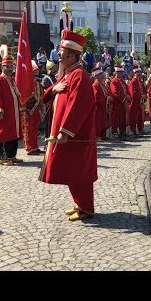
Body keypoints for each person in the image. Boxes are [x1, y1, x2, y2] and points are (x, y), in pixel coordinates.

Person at [39, 30, 97, 221]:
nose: (59, 56)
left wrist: (65, 132)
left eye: (62, 54)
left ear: (72, 56)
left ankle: (86, 208)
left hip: (76, 136)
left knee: (80, 172)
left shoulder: (79, 75)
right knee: (72, 171)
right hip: (70, 136)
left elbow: (77, 105)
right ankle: (79, 205)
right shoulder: (67, 74)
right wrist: (53, 90)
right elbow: (49, 96)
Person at [0, 45, 23, 166]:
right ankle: (3, 158)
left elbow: (16, 95)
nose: (9, 69)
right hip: (4, 113)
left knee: (13, 135)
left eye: (11, 66)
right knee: (4, 135)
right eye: (7, 67)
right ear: (1, 67)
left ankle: (11, 156)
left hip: (13, 113)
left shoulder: (11, 80)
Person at [22, 60, 45, 155]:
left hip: (36, 110)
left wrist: (41, 109)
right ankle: (29, 148)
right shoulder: (25, 86)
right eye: (34, 74)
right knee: (28, 129)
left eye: (36, 74)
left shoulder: (39, 85)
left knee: (35, 130)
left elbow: (41, 98)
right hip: (27, 111)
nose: (35, 76)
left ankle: (35, 146)